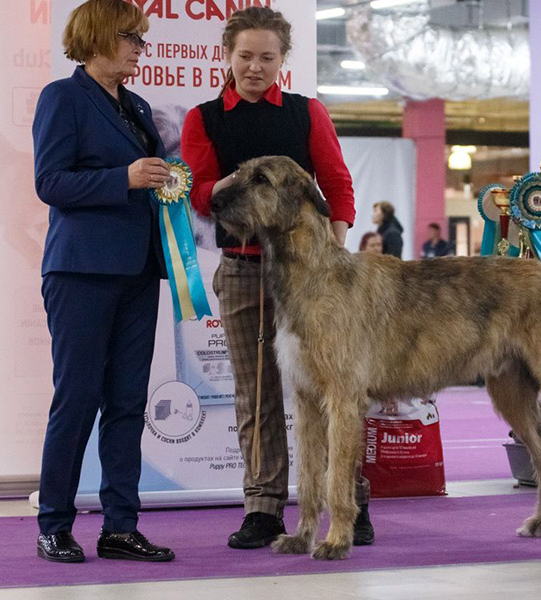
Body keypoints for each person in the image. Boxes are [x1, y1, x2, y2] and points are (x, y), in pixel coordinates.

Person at [180, 6, 373, 550]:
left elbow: (336, 181)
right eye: (245, 56)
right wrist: (234, 185)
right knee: (256, 393)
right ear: (227, 55)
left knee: (339, 390)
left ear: (283, 60)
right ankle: (264, 508)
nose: (255, 67)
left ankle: (349, 502)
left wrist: (335, 252)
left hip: (314, 278)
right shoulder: (204, 118)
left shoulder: (307, 113)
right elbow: (199, 193)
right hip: (243, 271)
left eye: (267, 57)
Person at [30, 0, 174, 563]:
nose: (140, 48)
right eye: (131, 37)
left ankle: (120, 525)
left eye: (142, 38)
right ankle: (53, 524)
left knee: (126, 402)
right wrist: (125, 177)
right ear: (96, 38)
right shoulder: (62, 97)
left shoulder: (136, 105)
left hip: (139, 271)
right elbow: (51, 182)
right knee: (78, 398)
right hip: (81, 271)